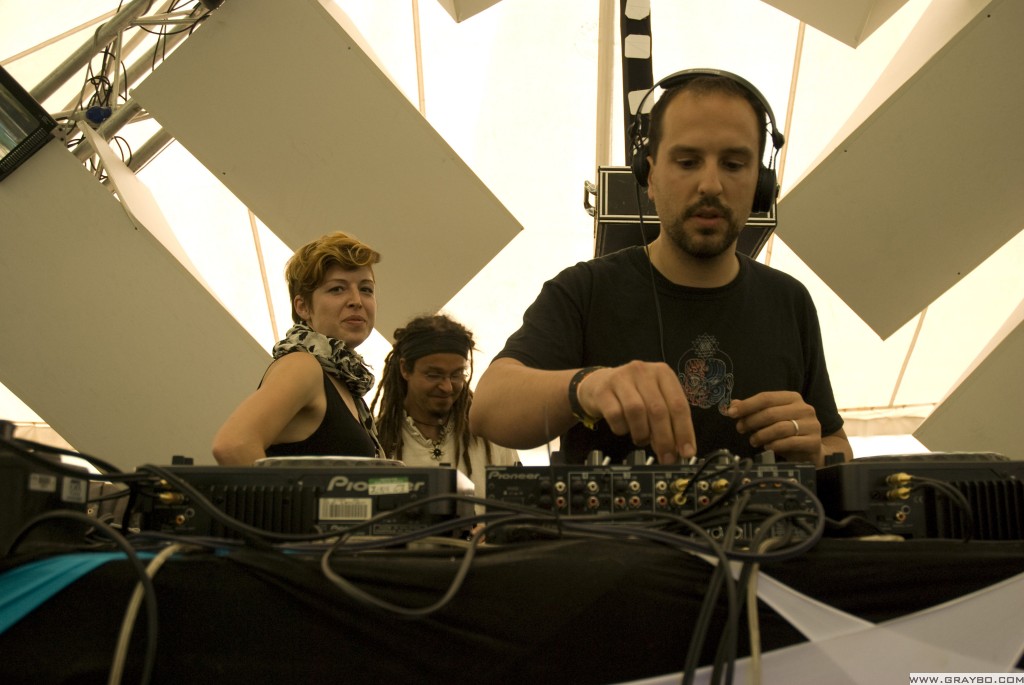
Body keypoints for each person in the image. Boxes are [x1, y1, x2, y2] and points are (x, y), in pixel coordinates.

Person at [469, 70, 852, 468]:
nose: (710, 185)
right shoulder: (584, 290)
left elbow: (836, 444)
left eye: (734, 164)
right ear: (649, 176)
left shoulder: (790, 301)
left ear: (762, 184)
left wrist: (817, 451)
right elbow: (488, 408)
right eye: (687, 162)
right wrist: (588, 386)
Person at [212, 231, 383, 464]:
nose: (356, 300)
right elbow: (233, 445)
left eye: (366, 289)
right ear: (302, 307)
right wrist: (284, 491)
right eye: (337, 289)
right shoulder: (302, 366)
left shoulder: (343, 379)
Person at [371, 314, 519, 503]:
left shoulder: (492, 437)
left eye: (457, 375)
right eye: (434, 375)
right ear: (405, 369)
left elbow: (519, 509)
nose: (447, 387)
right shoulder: (377, 440)